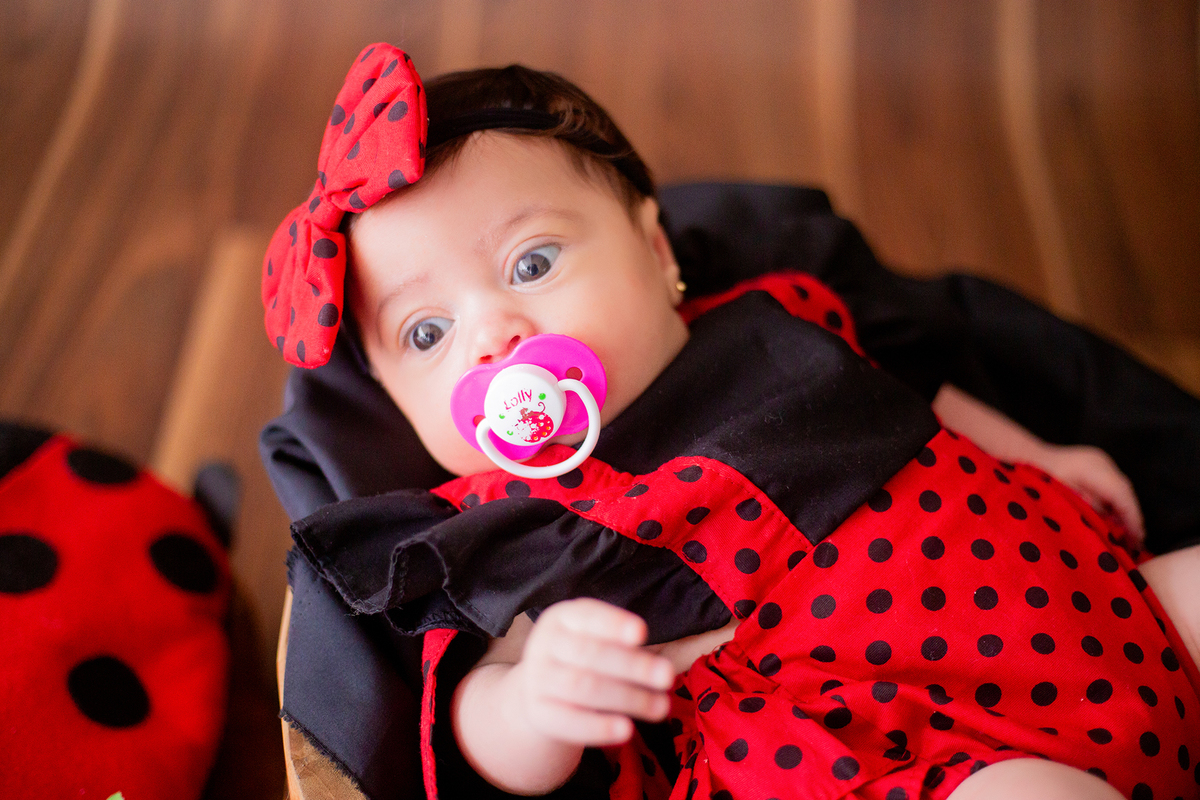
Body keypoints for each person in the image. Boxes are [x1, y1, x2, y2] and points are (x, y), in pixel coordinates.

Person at [262, 43, 1200, 800]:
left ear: (658, 249)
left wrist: (1037, 451)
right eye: (427, 332)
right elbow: (469, 725)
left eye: (532, 264)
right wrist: (535, 699)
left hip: (1092, 599)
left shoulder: (774, 319)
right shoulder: (496, 526)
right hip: (899, 755)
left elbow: (914, 397)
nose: (494, 334)